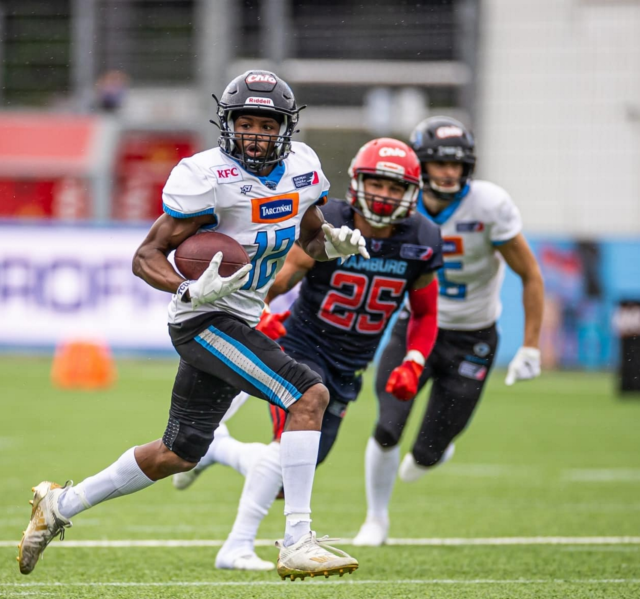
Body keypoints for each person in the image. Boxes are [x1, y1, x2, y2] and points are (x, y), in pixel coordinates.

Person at [17, 70, 369, 580]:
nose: (255, 134)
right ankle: (297, 539)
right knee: (308, 395)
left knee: (177, 454)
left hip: (240, 317)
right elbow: (146, 256)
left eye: (266, 124)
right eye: (245, 122)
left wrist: (331, 246)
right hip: (202, 319)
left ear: (285, 128)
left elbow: (310, 237)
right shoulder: (207, 176)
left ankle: (59, 506)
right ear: (227, 124)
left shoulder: (302, 169)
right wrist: (186, 288)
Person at [174, 138, 444, 571]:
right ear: (357, 183)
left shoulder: (423, 238)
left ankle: (216, 451)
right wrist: (262, 314)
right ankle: (237, 546)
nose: (384, 195)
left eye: (395, 187)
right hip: (303, 347)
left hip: (350, 365)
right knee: (285, 448)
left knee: (289, 477)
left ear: (412, 193)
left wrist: (414, 360)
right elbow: (280, 278)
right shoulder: (330, 221)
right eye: (377, 183)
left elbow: (426, 312)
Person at [351, 116, 545, 547]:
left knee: (425, 455)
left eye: (457, 164)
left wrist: (531, 345)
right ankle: (375, 519)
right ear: (420, 165)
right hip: (415, 326)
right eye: (440, 163)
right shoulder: (400, 203)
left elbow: (530, 274)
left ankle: (434, 449)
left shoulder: (489, 205)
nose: (449, 172)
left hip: (472, 336)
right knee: (387, 426)